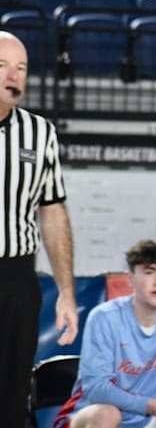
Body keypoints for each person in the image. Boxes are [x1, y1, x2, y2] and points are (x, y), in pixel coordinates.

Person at [0, 30, 78, 427]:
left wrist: (66, 292)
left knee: (13, 395)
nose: (13, 75)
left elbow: (52, 210)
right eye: (2, 66)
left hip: (16, 278)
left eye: (21, 68)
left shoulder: (39, 132)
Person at [54, 240, 156, 428]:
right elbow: (96, 389)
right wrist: (151, 405)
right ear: (130, 278)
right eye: (149, 272)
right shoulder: (105, 317)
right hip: (89, 417)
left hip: (150, 421)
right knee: (107, 414)